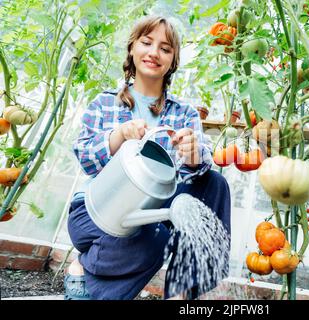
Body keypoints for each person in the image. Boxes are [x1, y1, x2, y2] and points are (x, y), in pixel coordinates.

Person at [64, 15, 231, 300]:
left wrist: (193, 156)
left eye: (165, 48)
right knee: (153, 238)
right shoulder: (105, 102)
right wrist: (118, 136)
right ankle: (83, 267)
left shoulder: (184, 114)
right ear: (132, 48)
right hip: (96, 214)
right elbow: (86, 159)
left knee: (213, 183)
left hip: (148, 216)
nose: (154, 52)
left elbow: (196, 177)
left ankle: (182, 294)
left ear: (173, 61)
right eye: (147, 42)